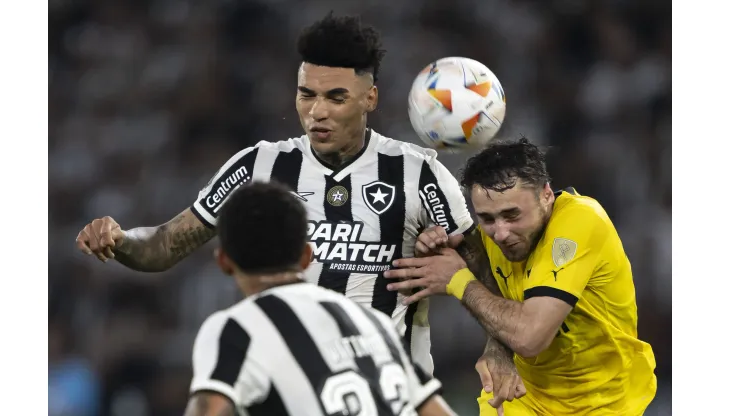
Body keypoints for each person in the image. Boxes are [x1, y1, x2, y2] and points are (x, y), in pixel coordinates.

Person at [74, 11, 521, 388]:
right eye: (307, 94)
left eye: (335, 97)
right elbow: (165, 245)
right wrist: (121, 240)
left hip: (389, 391)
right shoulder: (258, 168)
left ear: (370, 98)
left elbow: (487, 267)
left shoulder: (418, 173)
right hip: (286, 391)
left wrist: (498, 349)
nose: (317, 111)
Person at [385, 138, 658, 415]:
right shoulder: (490, 238)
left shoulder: (580, 223)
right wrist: (434, 248)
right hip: (520, 395)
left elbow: (529, 337)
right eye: (487, 218)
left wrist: (457, 280)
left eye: (512, 215)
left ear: (546, 195)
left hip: (603, 403)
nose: (500, 233)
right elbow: (493, 295)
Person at [183, 181, 456, 416]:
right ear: (306, 256)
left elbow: (211, 409)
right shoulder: (372, 321)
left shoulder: (235, 328)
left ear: (223, 262)